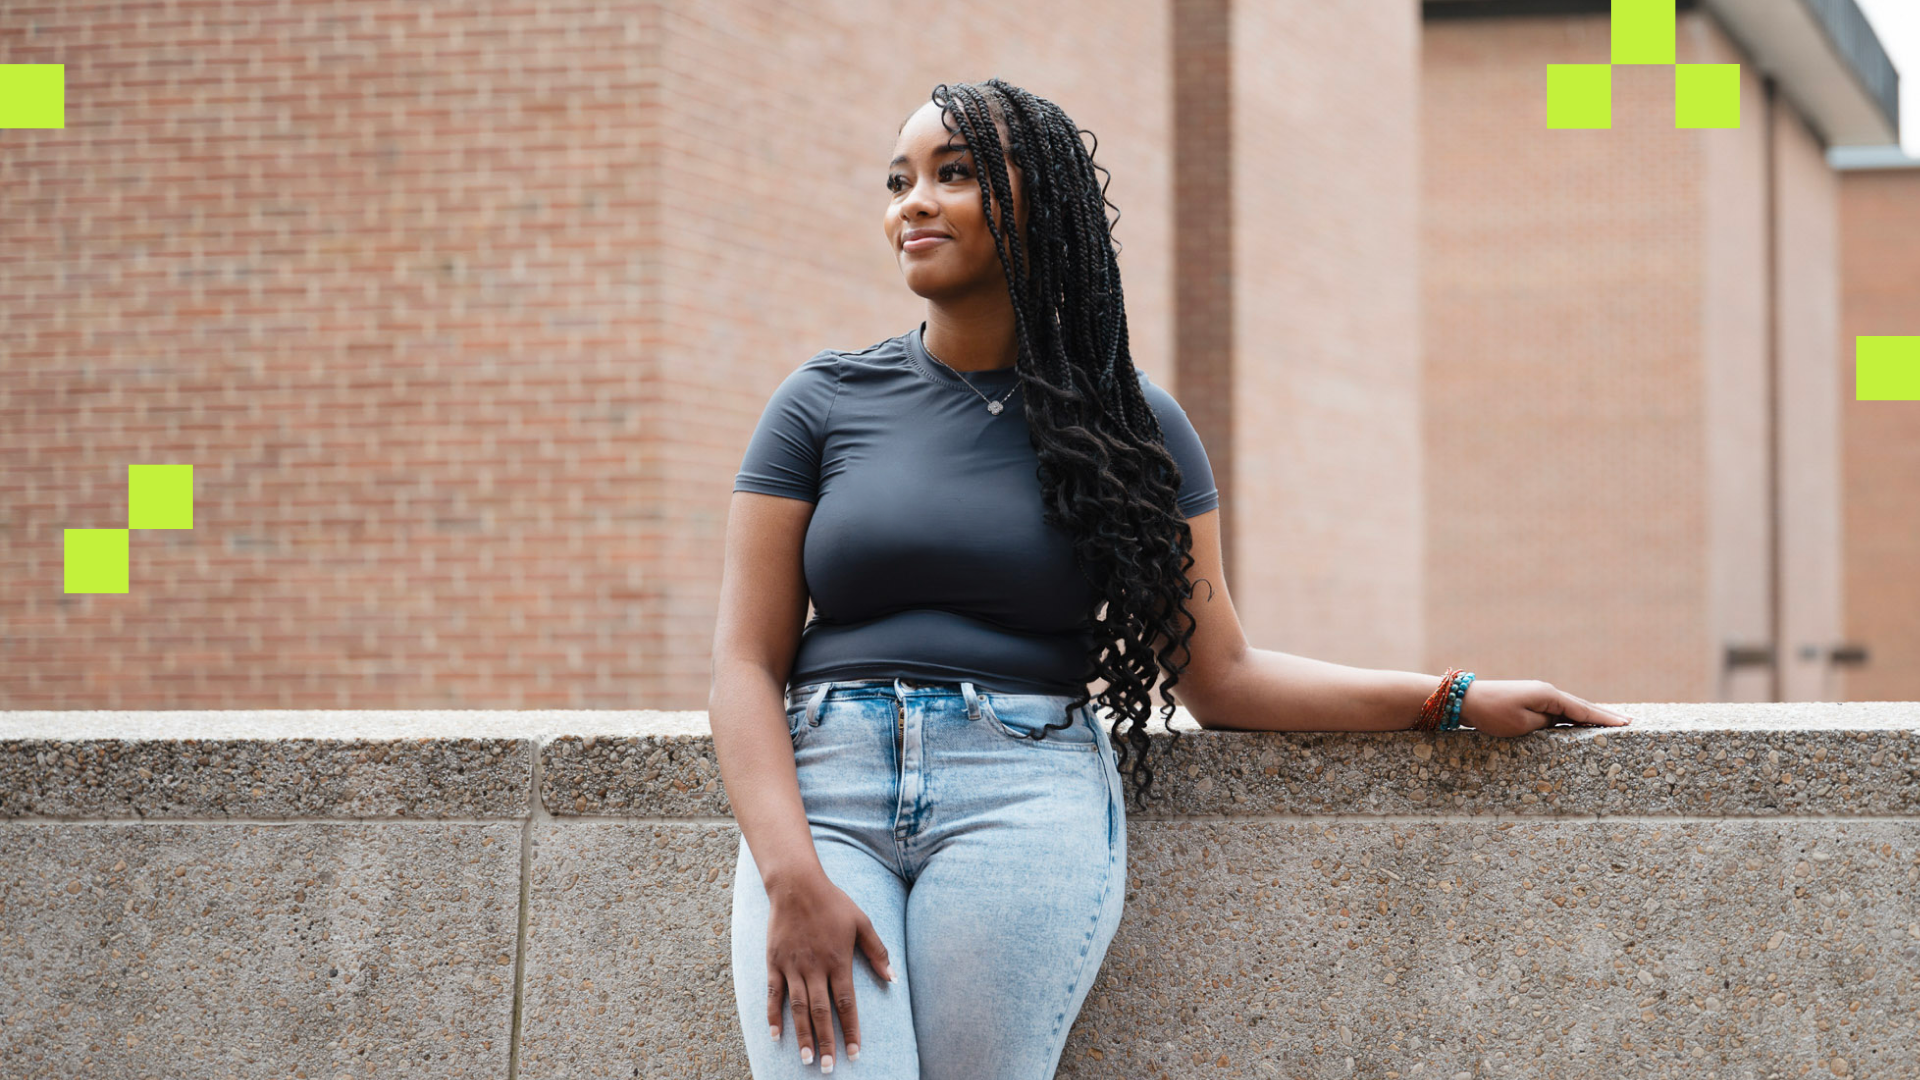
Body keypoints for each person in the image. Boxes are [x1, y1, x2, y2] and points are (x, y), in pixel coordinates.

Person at [708, 78, 1636, 1079]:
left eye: (956, 174)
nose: (913, 203)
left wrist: (1448, 698)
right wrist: (791, 872)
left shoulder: (1133, 426)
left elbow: (1220, 674)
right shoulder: (824, 400)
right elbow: (743, 665)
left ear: (1042, 207)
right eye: (899, 181)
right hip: (827, 792)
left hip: (1018, 796)